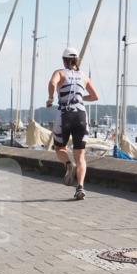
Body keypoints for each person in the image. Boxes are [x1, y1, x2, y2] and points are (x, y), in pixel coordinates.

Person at [46, 47, 99, 200]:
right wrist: (82, 98)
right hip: (81, 116)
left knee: (59, 147)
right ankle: (80, 188)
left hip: (65, 115)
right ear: (77, 61)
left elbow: (52, 82)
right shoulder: (84, 76)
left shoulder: (60, 73)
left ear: (64, 60)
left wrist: (50, 97)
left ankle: (68, 164)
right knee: (81, 156)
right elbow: (95, 96)